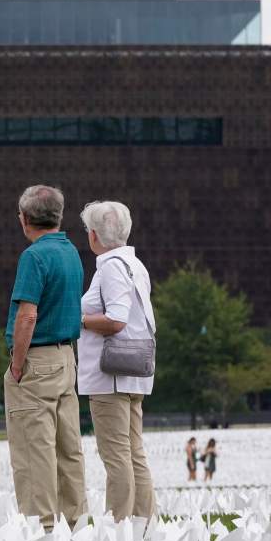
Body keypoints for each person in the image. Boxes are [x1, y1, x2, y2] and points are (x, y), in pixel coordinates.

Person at [3, 185, 87, 531]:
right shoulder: (71, 253)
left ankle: (43, 526)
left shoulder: (34, 256)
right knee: (69, 446)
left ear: (24, 219)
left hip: (36, 360)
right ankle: (76, 520)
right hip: (67, 356)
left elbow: (27, 315)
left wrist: (17, 365)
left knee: (33, 447)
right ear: (59, 215)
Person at [76, 200, 156, 522]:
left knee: (116, 455)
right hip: (134, 373)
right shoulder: (135, 265)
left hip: (111, 377)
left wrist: (78, 319)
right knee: (134, 452)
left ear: (94, 235)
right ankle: (143, 524)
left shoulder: (109, 266)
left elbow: (116, 320)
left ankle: (118, 527)